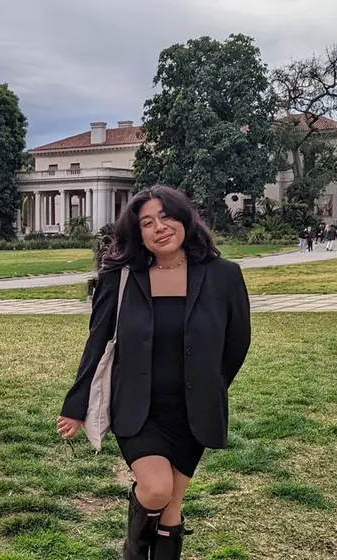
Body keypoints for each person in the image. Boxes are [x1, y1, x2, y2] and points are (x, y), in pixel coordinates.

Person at [56, 186, 251, 560]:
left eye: (166, 217)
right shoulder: (120, 277)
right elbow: (97, 343)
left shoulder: (223, 275)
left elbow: (237, 342)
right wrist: (76, 404)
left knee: (172, 510)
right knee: (157, 489)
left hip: (193, 411)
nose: (159, 227)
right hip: (137, 408)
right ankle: (134, 547)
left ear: (185, 220)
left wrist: (211, 384)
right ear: (138, 233)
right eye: (147, 222)